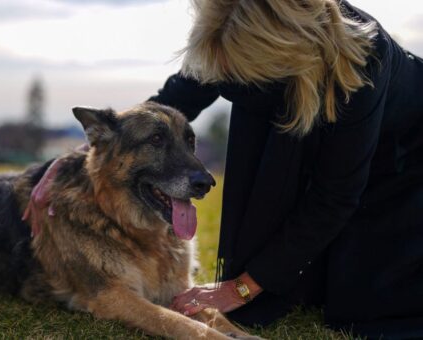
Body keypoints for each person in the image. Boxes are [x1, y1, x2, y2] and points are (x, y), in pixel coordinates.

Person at [147, 0, 423, 338]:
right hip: (336, 135)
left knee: (365, 302)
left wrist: (240, 289)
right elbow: (183, 92)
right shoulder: (230, 24)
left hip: (405, 157)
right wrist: (107, 142)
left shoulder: (364, 60)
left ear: (281, 58)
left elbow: (333, 196)